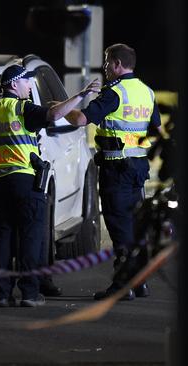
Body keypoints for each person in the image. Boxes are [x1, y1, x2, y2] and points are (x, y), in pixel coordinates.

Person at [0, 64, 100, 307]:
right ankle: (29, 293)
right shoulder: (22, 107)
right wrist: (80, 95)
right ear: (14, 84)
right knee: (30, 238)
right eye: (26, 82)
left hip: (1, 182)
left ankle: (2, 294)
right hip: (25, 180)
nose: (29, 86)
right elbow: (55, 115)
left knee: (3, 240)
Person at [65, 43, 162, 301]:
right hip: (138, 168)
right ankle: (139, 281)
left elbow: (81, 120)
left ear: (117, 64)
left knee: (119, 227)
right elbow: (155, 129)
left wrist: (59, 106)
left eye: (107, 62)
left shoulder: (115, 93)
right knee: (132, 224)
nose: (105, 67)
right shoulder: (147, 92)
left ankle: (122, 286)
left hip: (116, 169)